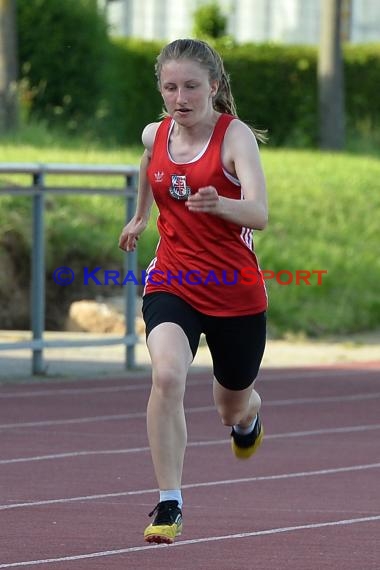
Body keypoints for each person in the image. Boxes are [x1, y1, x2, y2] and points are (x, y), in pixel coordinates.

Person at [118, 38, 268, 545]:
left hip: (234, 289)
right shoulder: (156, 131)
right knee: (166, 374)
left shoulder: (235, 137)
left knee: (231, 406)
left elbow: (259, 213)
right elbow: (147, 160)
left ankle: (248, 420)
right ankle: (169, 501)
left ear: (214, 86)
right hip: (173, 280)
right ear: (160, 89)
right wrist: (140, 215)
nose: (179, 98)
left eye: (190, 87)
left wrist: (220, 205)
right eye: (169, 87)